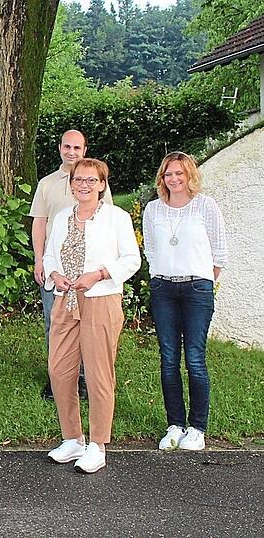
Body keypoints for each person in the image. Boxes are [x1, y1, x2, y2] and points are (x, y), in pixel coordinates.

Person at [43, 158, 140, 474]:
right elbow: (48, 255)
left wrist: (98, 274)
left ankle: (98, 445)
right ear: (70, 184)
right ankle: (73, 437)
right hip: (64, 299)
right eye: (78, 180)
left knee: (99, 374)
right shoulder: (60, 218)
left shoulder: (116, 218)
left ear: (102, 184)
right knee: (59, 371)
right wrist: (54, 273)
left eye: (90, 180)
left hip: (99, 299)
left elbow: (131, 260)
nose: (83, 185)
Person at [144, 152, 227, 452]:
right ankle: (175, 425)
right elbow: (151, 250)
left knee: (194, 359)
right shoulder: (153, 210)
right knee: (168, 360)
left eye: (179, 173)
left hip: (197, 290)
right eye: (168, 174)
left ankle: (197, 428)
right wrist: (161, 276)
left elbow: (219, 252)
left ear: (189, 175)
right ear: (162, 178)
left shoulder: (205, 206)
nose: (174, 179)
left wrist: (203, 280)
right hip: (164, 289)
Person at [29, 130, 113, 401]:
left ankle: (87, 379)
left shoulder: (96, 182)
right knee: (55, 322)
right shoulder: (47, 184)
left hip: (89, 268)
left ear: (85, 149)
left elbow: (107, 222)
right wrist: (39, 259)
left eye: (77, 147)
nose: (71, 152)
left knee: (89, 324)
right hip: (57, 267)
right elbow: (39, 222)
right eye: (67, 146)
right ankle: (59, 378)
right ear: (59, 148)